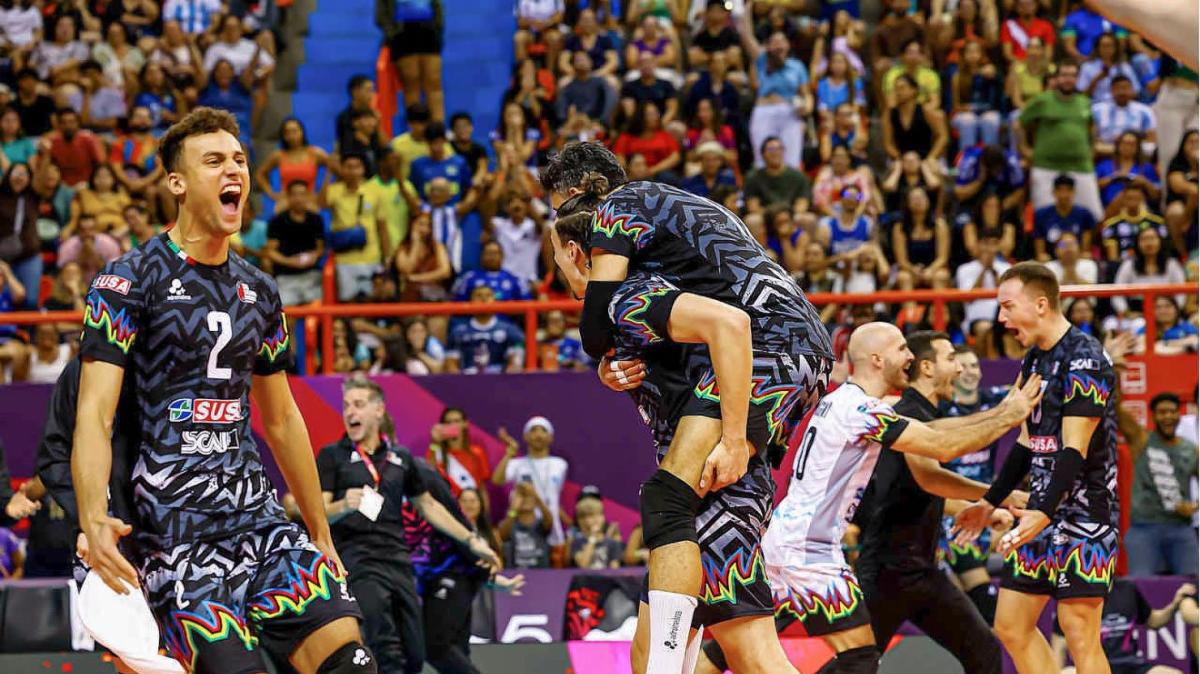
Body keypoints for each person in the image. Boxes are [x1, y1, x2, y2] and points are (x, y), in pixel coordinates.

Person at [73, 108, 377, 673]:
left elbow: (281, 420)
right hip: (173, 534)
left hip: (257, 519)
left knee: (351, 660)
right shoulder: (128, 280)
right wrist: (93, 517)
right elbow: (93, 414)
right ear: (177, 183)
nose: (233, 170)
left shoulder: (259, 289)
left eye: (239, 159)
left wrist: (319, 530)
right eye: (213, 161)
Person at [544, 142, 834, 674]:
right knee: (684, 652)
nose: (564, 222)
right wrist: (610, 367)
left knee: (666, 499)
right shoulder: (664, 248)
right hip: (783, 350)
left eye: (562, 214)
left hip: (772, 347)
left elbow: (722, 324)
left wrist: (733, 439)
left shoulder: (624, 247)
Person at [698, 322, 1041, 674]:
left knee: (729, 647)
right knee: (859, 656)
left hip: (785, 542)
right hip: (809, 551)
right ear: (877, 359)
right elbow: (941, 446)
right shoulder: (861, 412)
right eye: (901, 349)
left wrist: (1001, 413)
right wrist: (1010, 416)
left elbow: (933, 431)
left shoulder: (845, 401)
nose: (910, 357)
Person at [953, 262, 1120, 674]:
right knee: (1011, 626)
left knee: (1078, 632)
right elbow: (1026, 444)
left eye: (1008, 306)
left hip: (1085, 515)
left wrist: (1041, 513)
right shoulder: (1033, 360)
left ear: (1041, 304)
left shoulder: (1086, 358)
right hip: (1039, 512)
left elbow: (1074, 449)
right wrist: (989, 502)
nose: (1001, 318)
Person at [853, 331, 1025, 674]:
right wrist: (998, 496)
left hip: (921, 570)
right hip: (887, 573)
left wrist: (980, 511)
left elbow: (921, 493)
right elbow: (931, 479)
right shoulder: (909, 413)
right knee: (855, 666)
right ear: (928, 367)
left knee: (984, 651)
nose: (959, 369)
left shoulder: (925, 413)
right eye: (951, 359)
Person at [318, 377, 499, 674]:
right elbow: (318, 513)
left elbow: (428, 505)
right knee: (384, 645)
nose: (350, 412)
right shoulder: (332, 456)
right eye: (346, 405)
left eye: (359, 404)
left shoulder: (400, 457)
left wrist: (471, 540)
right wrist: (342, 505)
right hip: (358, 561)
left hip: (398, 562)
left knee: (415, 653)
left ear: (379, 410)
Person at [407, 460, 522, 674]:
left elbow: (457, 523)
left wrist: (488, 574)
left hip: (455, 573)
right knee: (457, 651)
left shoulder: (422, 475)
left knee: (435, 646)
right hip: (427, 579)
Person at [939, 345, 1011, 620]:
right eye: (963, 366)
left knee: (962, 603)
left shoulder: (994, 400)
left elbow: (1030, 390)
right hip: (952, 512)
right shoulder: (939, 410)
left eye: (974, 366)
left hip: (986, 507)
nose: (970, 372)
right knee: (981, 595)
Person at [1120, 392, 1199, 576]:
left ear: (1179, 414)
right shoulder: (1141, 440)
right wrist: (1111, 377)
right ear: (1153, 415)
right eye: (1162, 412)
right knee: (1141, 587)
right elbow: (1118, 411)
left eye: (1172, 411)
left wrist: (1195, 506)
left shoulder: (1190, 450)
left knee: (1192, 586)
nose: (1168, 416)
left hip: (1181, 529)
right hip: (1144, 529)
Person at [1053, 580, 1197, 674]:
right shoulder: (1073, 597)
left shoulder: (1128, 589)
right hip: (1093, 667)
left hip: (1132, 666)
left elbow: (1153, 621)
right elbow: (1059, 646)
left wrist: (1174, 605)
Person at [1022, 62, 1104, 222]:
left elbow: (1092, 128)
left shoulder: (1084, 102)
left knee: (1095, 215)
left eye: (1073, 76)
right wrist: (1023, 148)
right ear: (1057, 78)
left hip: (1080, 166)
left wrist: (1093, 148)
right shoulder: (1042, 100)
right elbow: (1019, 123)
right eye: (1064, 75)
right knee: (1043, 217)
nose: (1068, 79)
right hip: (1046, 166)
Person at [492, 416, 569, 546]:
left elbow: (554, 497)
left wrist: (569, 522)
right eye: (533, 430)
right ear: (525, 436)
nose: (538, 435)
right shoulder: (516, 464)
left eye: (543, 430)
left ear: (551, 437)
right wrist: (510, 453)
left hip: (552, 530)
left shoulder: (560, 464)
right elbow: (497, 480)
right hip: (524, 530)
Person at [324, 152, 389, 301]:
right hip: (345, 259)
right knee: (349, 302)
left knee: (371, 300)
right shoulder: (334, 190)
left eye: (357, 167)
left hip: (371, 256)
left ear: (363, 169)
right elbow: (320, 204)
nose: (353, 171)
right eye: (348, 167)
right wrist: (328, 173)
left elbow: (382, 226)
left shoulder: (374, 191)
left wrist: (386, 256)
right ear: (342, 169)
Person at [376, 0, 446, 121]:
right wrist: (393, 33)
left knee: (434, 83)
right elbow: (380, 16)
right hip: (403, 35)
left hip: (428, 33)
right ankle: (416, 125)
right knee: (411, 84)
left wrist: (436, 27)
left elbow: (437, 7)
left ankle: (437, 125)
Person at [266, 180, 326, 306]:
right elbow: (270, 251)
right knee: (285, 312)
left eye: (302, 194)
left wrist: (313, 256)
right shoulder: (277, 221)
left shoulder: (316, 220)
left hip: (311, 276)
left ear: (308, 196)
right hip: (286, 277)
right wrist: (289, 261)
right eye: (294, 194)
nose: (298, 199)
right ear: (288, 197)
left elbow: (320, 248)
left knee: (316, 309)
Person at [445, 284, 525, 373]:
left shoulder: (510, 330)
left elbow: (515, 364)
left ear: (495, 301)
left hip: (500, 378)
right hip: (466, 378)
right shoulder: (458, 332)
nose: (483, 299)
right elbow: (451, 365)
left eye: (488, 295)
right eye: (478, 295)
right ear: (470, 301)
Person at [427, 407, 492, 496]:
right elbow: (428, 473)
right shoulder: (436, 451)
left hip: (470, 502)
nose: (453, 425)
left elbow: (482, 489)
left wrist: (485, 505)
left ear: (465, 424)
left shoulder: (477, 452)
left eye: (457, 421)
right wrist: (434, 442)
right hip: (445, 502)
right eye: (448, 422)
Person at [1033, 175, 1097, 262]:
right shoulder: (1041, 215)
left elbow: (1084, 249)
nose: (1064, 195)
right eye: (1060, 190)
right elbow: (1040, 252)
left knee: (1087, 258)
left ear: (1074, 191)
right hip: (1051, 261)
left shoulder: (1085, 214)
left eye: (1068, 190)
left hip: (1076, 260)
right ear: (1054, 192)